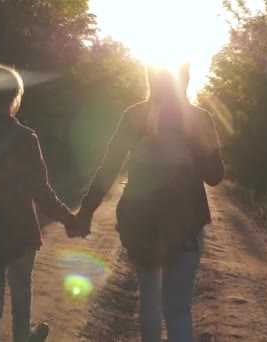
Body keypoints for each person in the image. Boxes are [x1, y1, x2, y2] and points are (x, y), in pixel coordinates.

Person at [72, 62, 225, 341]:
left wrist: (86, 211)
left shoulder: (134, 115)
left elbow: (109, 168)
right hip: (186, 223)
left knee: (149, 299)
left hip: (140, 222)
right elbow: (215, 176)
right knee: (178, 309)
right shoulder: (200, 118)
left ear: (150, 80)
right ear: (186, 81)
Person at [0, 64, 84, 342]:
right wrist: (70, 219)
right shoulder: (25, 138)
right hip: (19, 232)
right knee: (21, 298)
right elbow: (41, 192)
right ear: (16, 96)